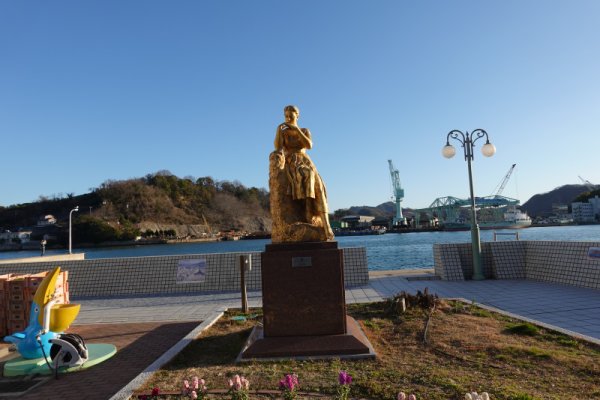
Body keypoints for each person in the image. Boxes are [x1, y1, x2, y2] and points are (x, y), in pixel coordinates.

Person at [274, 105, 334, 240]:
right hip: (291, 162)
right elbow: (278, 147)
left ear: (297, 115)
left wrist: (297, 130)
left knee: (318, 184)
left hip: (305, 160)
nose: (288, 117)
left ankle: (326, 224)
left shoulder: (304, 130)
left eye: (291, 115)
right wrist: (278, 130)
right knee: (307, 175)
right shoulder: (283, 132)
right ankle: (307, 210)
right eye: (286, 115)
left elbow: (309, 145)